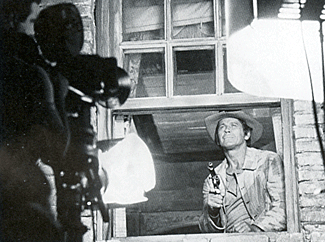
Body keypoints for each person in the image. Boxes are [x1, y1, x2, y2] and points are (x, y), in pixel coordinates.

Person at [0, 0, 70, 241]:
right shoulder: (28, 75)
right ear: (10, 23)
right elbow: (57, 148)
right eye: (32, 22)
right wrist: (57, 92)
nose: (36, 33)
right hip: (16, 197)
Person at [199, 111, 286, 233]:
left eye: (233, 125)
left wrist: (255, 229)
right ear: (218, 140)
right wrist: (212, 212)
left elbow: (284, 208)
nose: (227, 130)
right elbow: (206, 230)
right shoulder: (211, 180)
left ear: (246, 134)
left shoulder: (268, 161)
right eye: (222, 127)